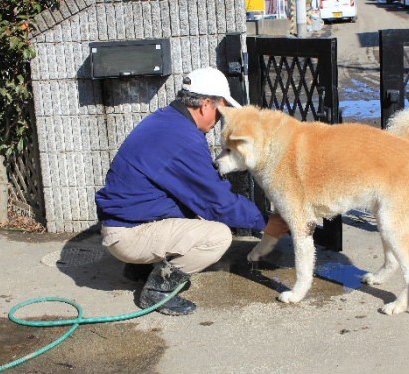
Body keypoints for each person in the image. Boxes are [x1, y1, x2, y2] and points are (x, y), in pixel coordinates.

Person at [95, 67, 288, 316]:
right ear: (206, 105)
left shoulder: (165, 120)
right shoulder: (183, 139)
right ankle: (158, 291)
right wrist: (266, 222)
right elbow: (219, 203)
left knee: (197, 214)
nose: (219, 120)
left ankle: (139, 269)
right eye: (220, 112)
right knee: (217, 236)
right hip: (127, 235)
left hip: (124, 222)